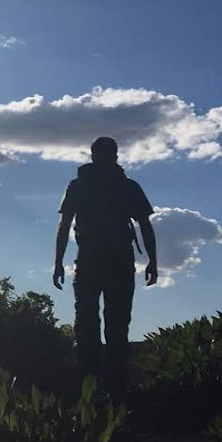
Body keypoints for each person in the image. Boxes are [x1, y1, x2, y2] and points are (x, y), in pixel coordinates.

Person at [53, 137, 157, 400]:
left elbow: (145, 225)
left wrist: (153, 261)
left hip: (103, 261)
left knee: (104, 325)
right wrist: (57, 262)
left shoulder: (112, 186)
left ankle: (103, 389)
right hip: (103, 261)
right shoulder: (120, 186)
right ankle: (102, 389)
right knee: (102, 325)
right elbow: (65, 225)